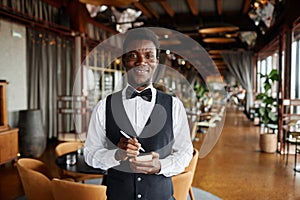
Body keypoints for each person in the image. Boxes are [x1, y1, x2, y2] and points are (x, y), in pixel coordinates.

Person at [84, 28, 193, 200]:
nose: (141, 62)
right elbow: (90, 154)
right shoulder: (104, 106)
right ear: (124, 61)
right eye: (133, 55)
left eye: (148, 56)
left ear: (157, 61)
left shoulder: (174, 106)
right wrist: (116, 155)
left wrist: (160, 166)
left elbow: (186, 152)